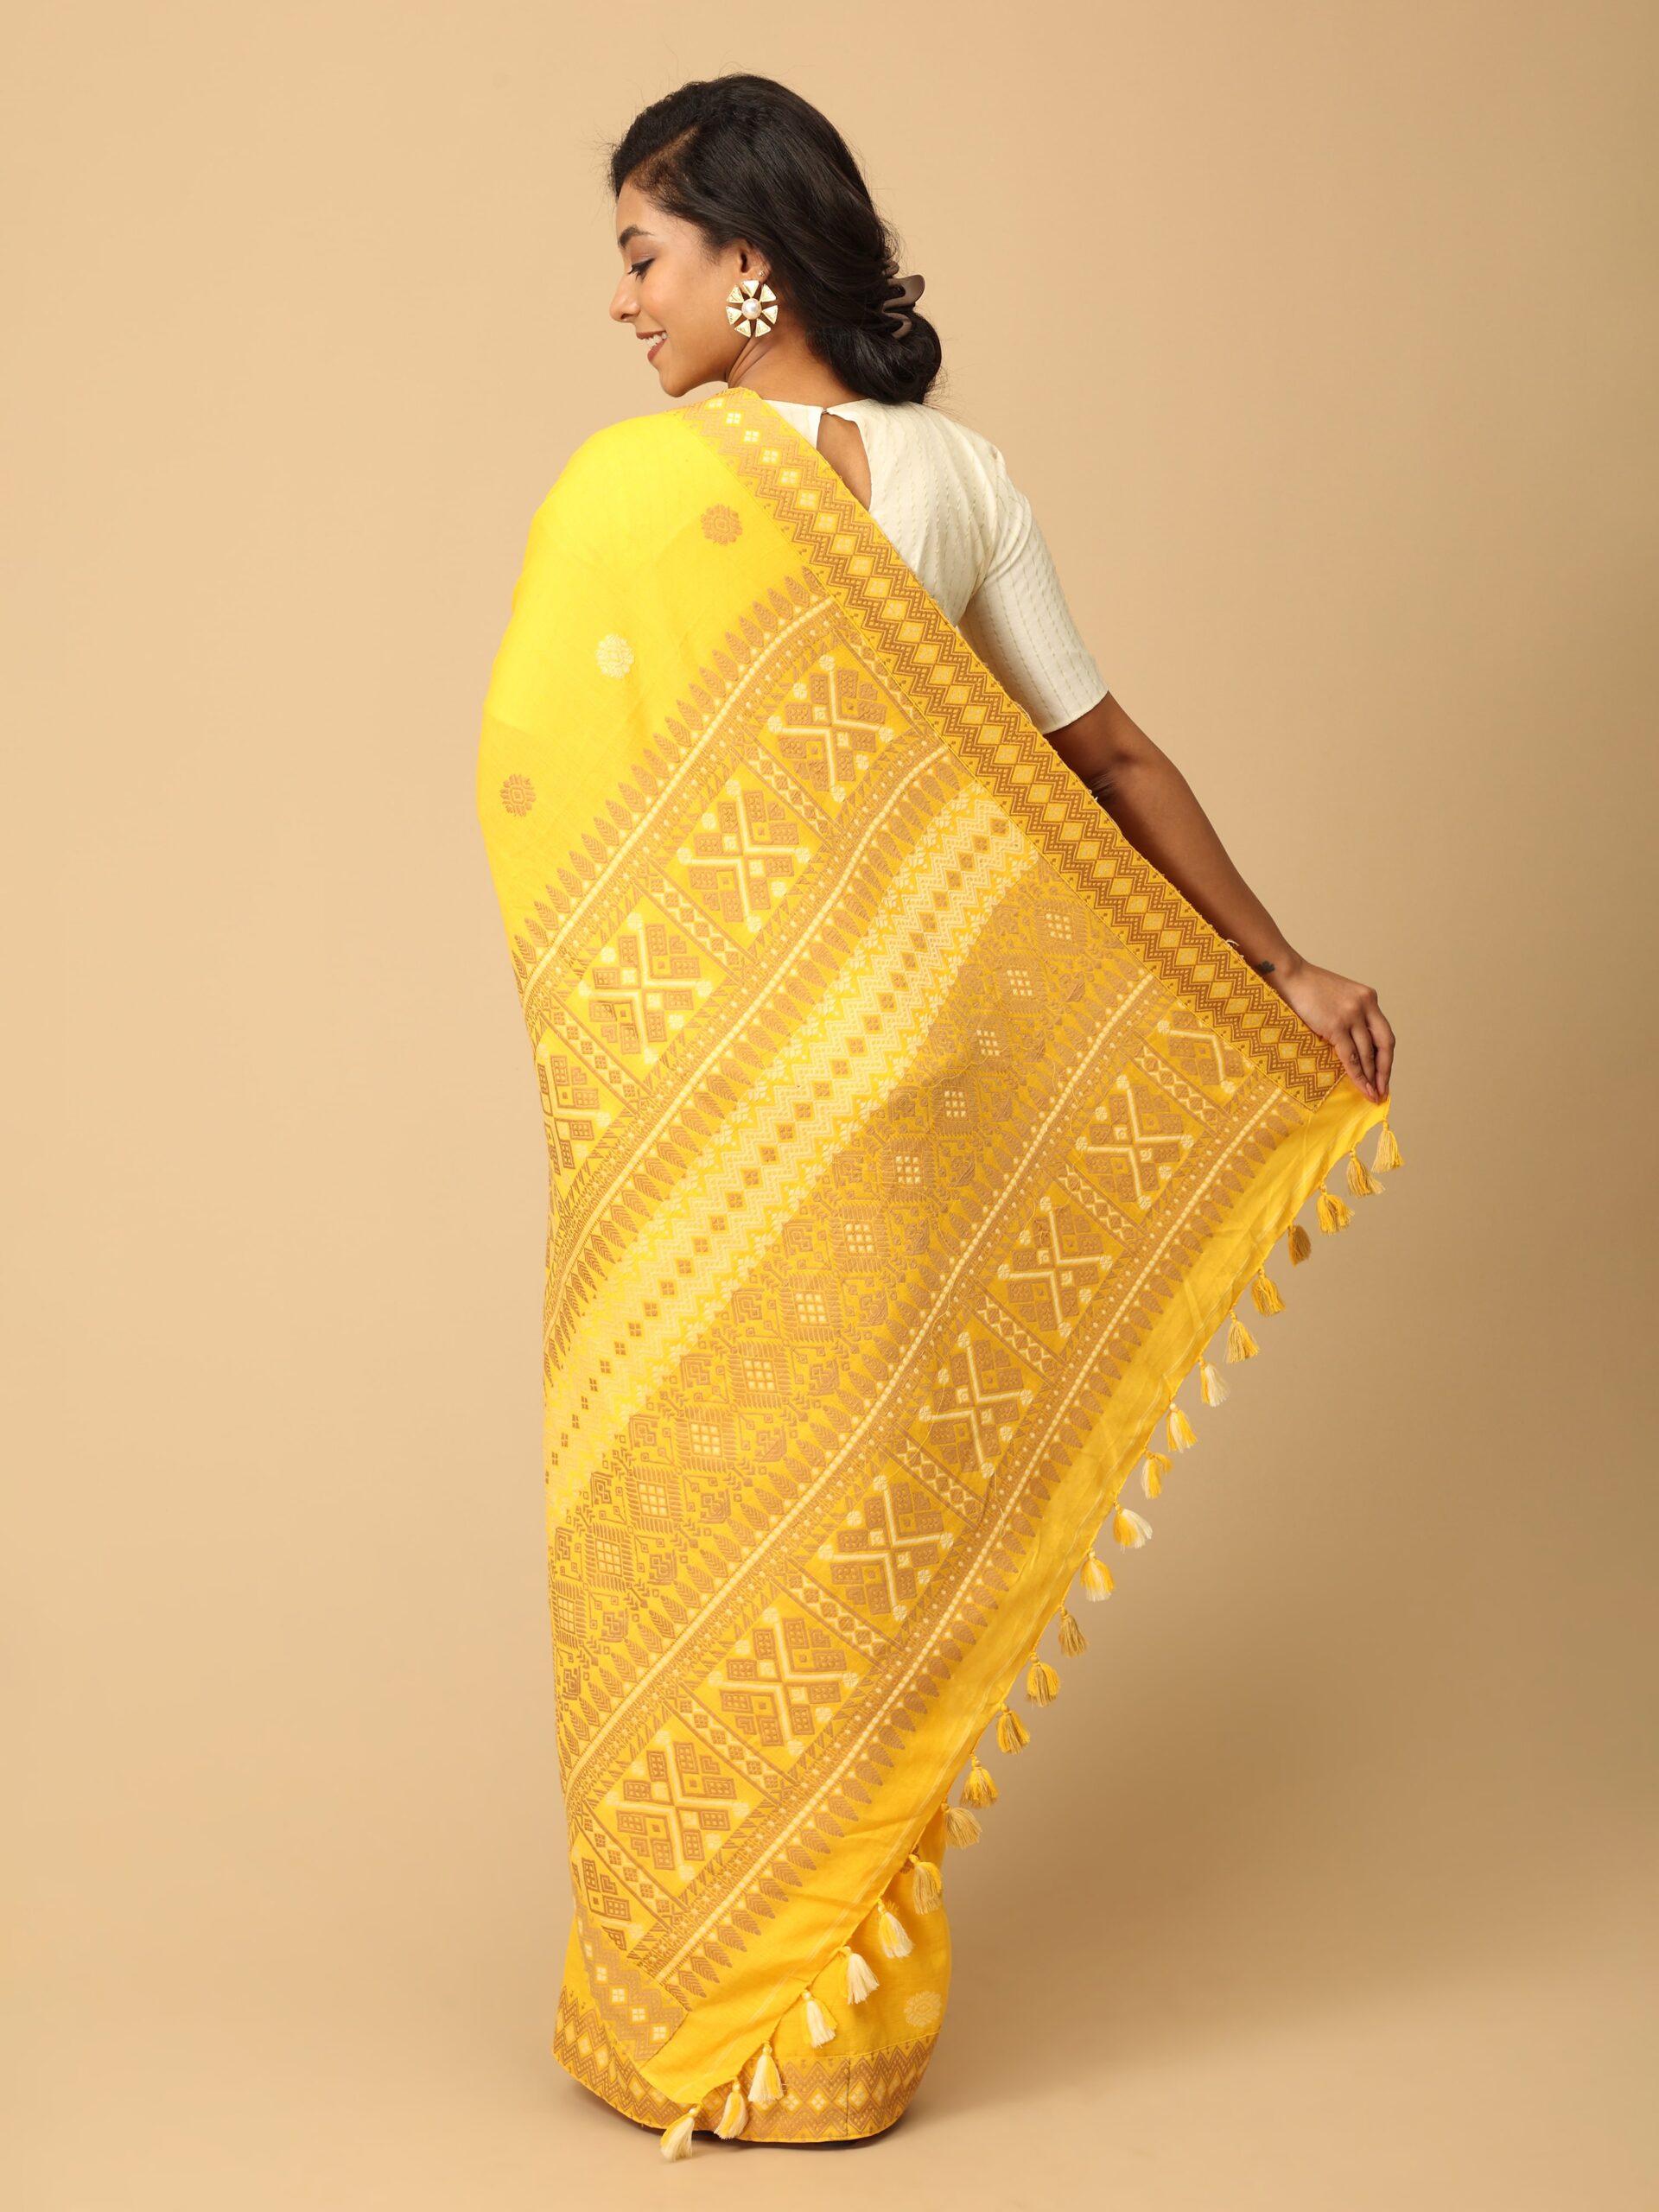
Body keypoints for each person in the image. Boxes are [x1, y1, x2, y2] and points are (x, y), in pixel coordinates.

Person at [474, 72, 1402, 2162]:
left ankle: (687, 2007)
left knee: (681, 1520)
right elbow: (1112, 754)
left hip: (698, 1106)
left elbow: (543, 799)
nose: (622, 302)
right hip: (899, 1103)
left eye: (641, 254)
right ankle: (833, 2034)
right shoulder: (960, 476)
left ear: (748, 260)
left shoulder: (636, 493)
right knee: (858, 1542)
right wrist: (1280, 965)